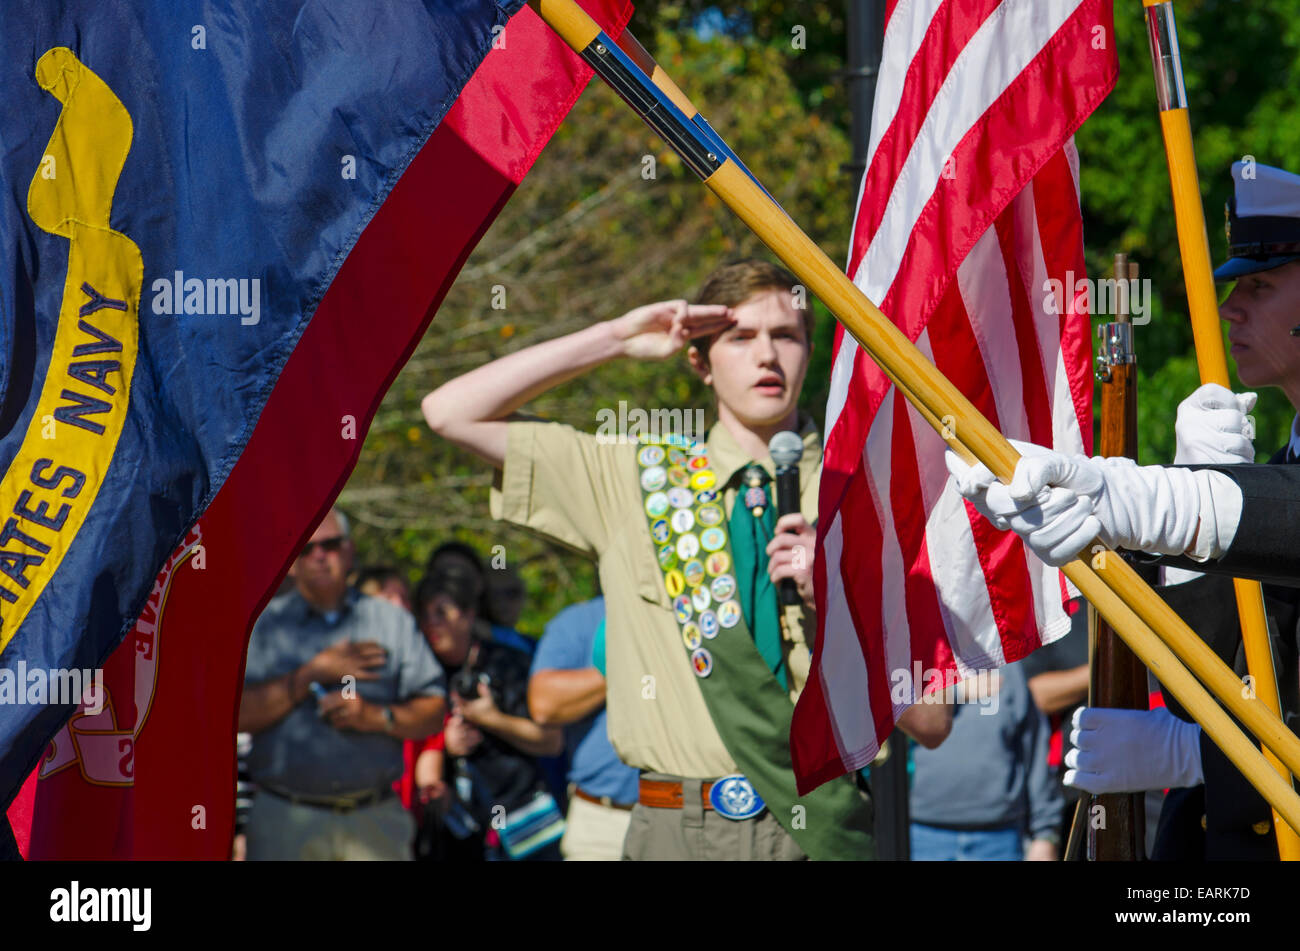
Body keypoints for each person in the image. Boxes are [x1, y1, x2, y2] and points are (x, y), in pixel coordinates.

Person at [422, 258, 950, 860]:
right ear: (699, 361)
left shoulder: (868, 499)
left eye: (785, 335)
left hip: (815, 825)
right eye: (740, 337)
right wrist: (616, 338)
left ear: (811, 352)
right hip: (673, 828)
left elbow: (931, 723)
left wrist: (842, 600)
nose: (766, 356)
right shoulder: (637, 480)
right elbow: (449, 412)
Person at [948, 161, 1300, 859]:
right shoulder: (1283, 461)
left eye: (1259, 286)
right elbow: (1231, 660)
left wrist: (1144, 496)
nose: (1230, 308)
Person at [238, 508, 447, 860]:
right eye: (307, 548)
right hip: (285, 820)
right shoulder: (264, 625)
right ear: (290, 560)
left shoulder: (391, 622)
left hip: (375, 819)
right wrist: (311, 674)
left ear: (349, 552)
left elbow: (434, 710)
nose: (319, 556)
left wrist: (376, 717)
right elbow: (238, 716)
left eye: (331, 545)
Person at [415, 561, 565, 861]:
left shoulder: (509, 664)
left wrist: (492, 719)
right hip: (457, 835)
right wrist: (445, 745)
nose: (432, 623)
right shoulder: (418, 673)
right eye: (426, 615)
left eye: (442, 612)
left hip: (525, 825)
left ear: (469, 614)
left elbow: (551, 741)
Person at [909, 662, 1063, 861]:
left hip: (999, 838)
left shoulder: (1007, 666)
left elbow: (1034, 751)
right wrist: (956, 692)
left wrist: (1046, 834)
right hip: (922, 834)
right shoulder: (916, 656)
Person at [528, 597, 641, 860]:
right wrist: (631, 663)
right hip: (601, 820)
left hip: (682, 813)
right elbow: (544, 706)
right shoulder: (577, 620)